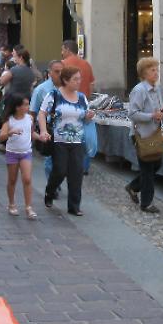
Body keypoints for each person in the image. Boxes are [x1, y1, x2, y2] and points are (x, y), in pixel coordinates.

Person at [37, 66, 94, 216]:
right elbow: (42, 114)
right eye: (75, 79)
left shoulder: (82, 97)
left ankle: (74, 206)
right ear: (66, 80)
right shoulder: (54, 95)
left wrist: (88, 116)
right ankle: (50, 191)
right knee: (60, 170)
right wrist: (43, 130)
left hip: (77, 141)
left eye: (79, 79)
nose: (79, 82)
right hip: (58, 140)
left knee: (76, 173)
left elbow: (85, 118)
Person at [125, 57, 163, 214]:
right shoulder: (139, 90)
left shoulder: (156, 89)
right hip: (141, 135)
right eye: (152, 70)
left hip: (153, 134)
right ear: (144, 73)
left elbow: (161, 111)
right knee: (148, 168)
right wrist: (151, 116)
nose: (156, 73)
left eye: (157, 69)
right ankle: (146, 203)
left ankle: (133, 187)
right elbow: (132, 114)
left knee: (156, 164)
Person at [0, 94, 38, 220]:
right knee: (12, 180)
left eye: (28, 104)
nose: (28, 107)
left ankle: (28, 207)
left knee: (27, 179)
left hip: (26, 152)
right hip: (12, 153)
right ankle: (11, 204)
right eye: (25, 104)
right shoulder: (9, 120)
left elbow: (31, 133)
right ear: (17, 107)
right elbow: (1, 137)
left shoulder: (30, 118)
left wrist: (41, 137)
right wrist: (10, 133)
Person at [60, 40, 97, 174]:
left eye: (62, 50)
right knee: (84, 136)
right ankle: (84, 167)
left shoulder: (63, 64)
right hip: (83, 103)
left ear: (67, 49)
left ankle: (69, 165)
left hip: (67, 103)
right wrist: (86, 97)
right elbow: (92, 85)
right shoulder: (86, 64)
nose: (61, 53)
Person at [31, 59, 63, 183]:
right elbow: (33, 111)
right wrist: (32, 131)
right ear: (50, 72)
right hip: (49, 128)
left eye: (62, 71)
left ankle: (55, 182)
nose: (60, 74)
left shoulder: (68, 87)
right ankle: (52, 186)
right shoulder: (41, 89)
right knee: (50, 160)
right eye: (57, 71)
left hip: (65, 130)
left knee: (64, 162)